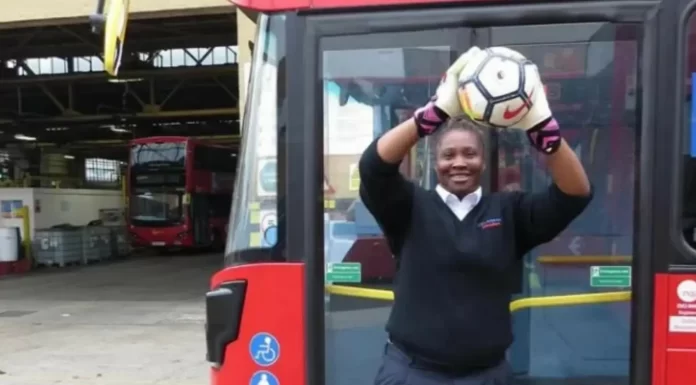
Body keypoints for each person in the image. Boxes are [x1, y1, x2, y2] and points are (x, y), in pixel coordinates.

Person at [358, 46, 592, 385]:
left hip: (487, 375)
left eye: (469, 153)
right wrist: (433, 114)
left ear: (483, 161)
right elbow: (374, 167)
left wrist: (544, 128)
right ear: (434, 162)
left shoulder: (509, 212)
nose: (459, 162)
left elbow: (576, 194)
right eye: (448, 154)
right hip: (412, 372)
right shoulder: (408, 207)